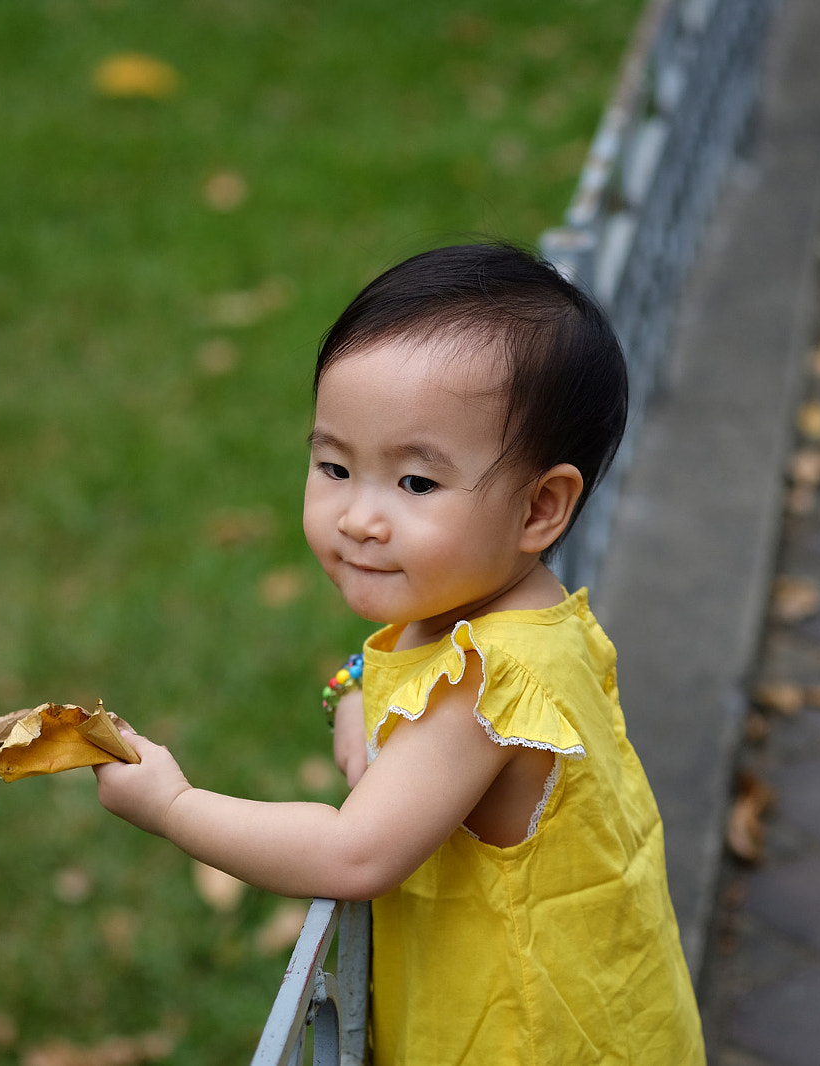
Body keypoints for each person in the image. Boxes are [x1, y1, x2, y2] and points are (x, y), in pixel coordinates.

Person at [94, 242, 704, 1065]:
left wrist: (174, 808)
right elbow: (392, 668)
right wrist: (353, 688)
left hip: (527, 1037)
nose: (359, 518)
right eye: (335, 466)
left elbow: (356, 853)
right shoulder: (496, 606)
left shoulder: (488, 684)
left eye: (415, 484)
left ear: (539, 509)